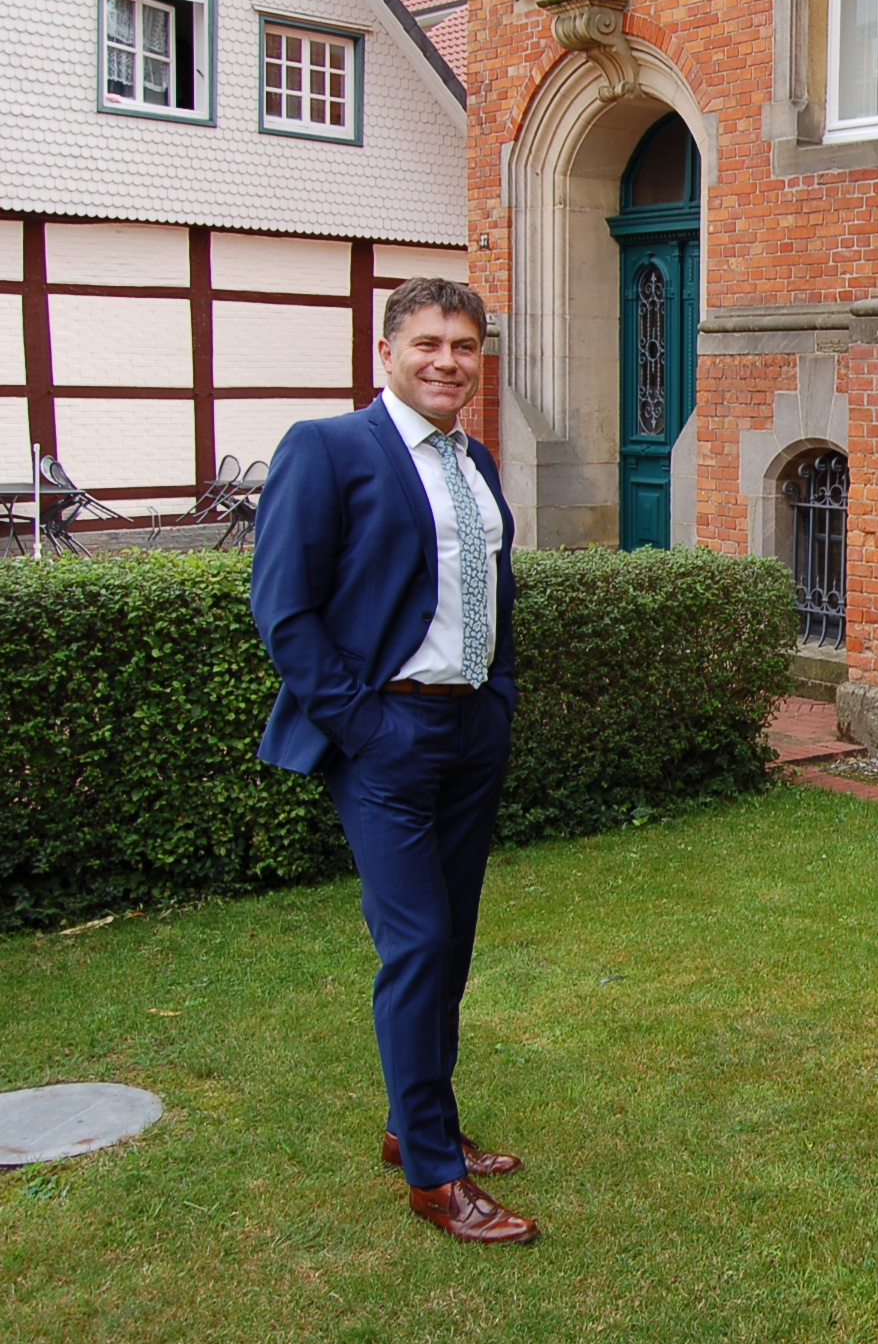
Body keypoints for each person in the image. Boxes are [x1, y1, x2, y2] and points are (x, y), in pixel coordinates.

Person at [250, 278, 536, 1244]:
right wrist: (368, 729)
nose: (447, 361)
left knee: (449, 944)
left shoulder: (476, 458)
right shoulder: (328, 449)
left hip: (472, 730)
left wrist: (497, 696)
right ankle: (433, 1178)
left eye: (464, 345)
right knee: (415, 944)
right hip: (388, 738)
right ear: (386, 352)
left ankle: (416, 1122)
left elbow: (490, 589)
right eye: (427, 343)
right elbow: (285, 611)